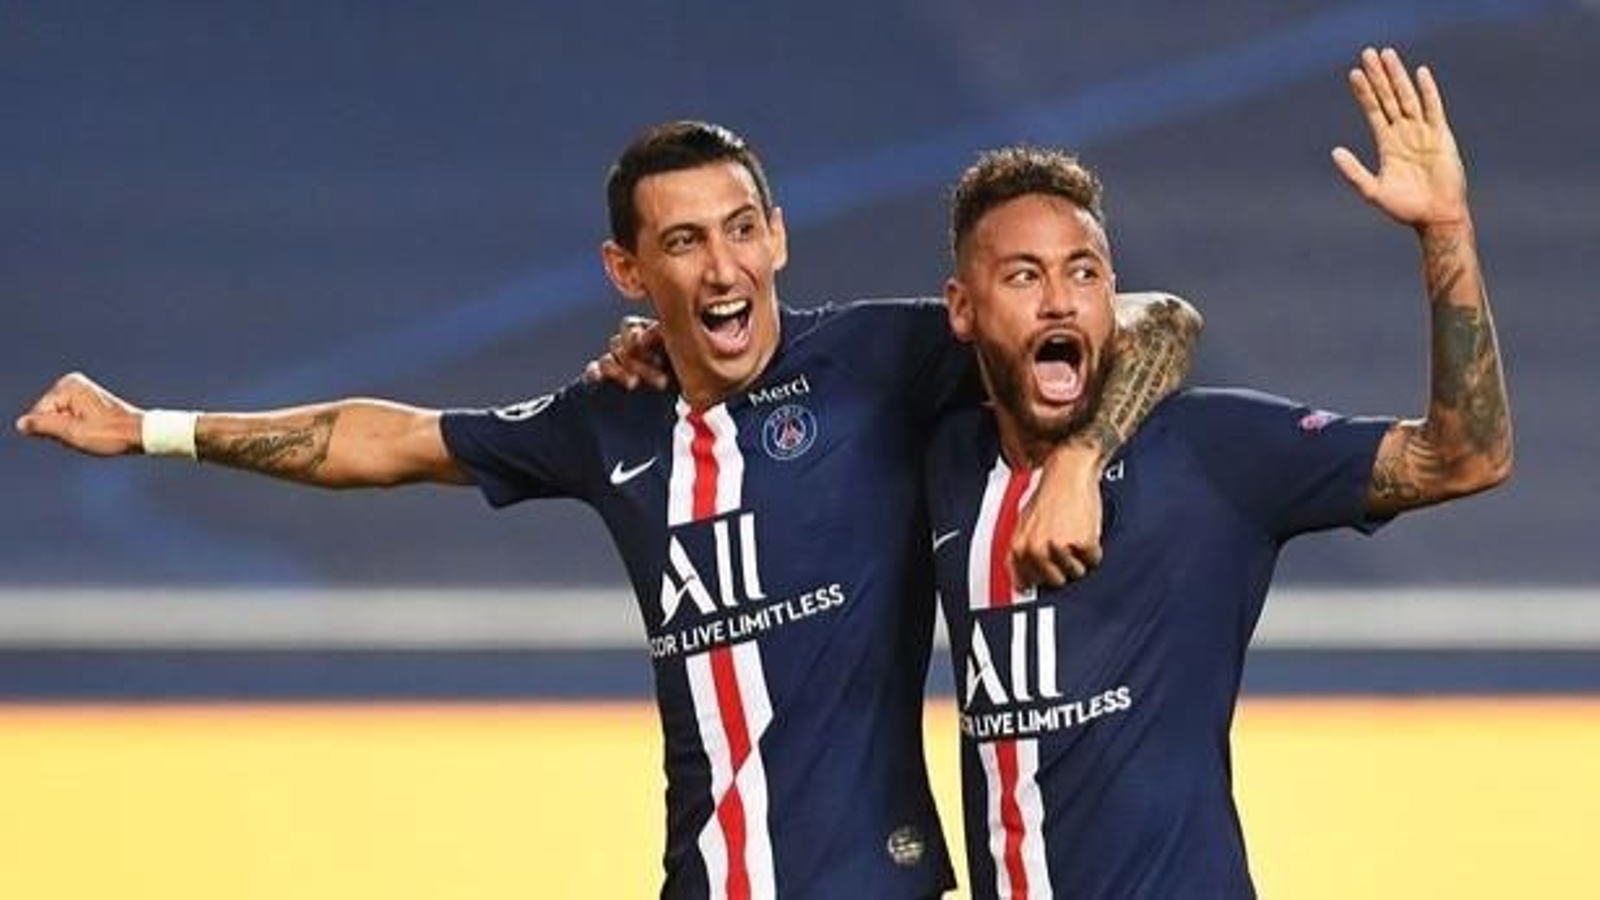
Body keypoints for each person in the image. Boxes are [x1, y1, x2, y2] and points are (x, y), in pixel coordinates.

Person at [15, 121, 1201, 898]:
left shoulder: (884, 362)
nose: (723, 267)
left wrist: (1081, 456)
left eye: (742, 230)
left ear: (779, 237)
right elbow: (389, 442)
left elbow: (1154, 317)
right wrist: (149, 428)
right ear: (629, 273)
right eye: (682, 243)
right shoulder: (610, 418)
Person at [924, 47, 1511, 899]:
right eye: (1024, 276)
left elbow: (1467, 455)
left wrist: (1446, 234)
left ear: (1112, 298)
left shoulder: (1213, 452)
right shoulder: (937, 461)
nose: (1058, 300)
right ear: (962, 309)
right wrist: (651, 347)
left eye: (1083, 274)